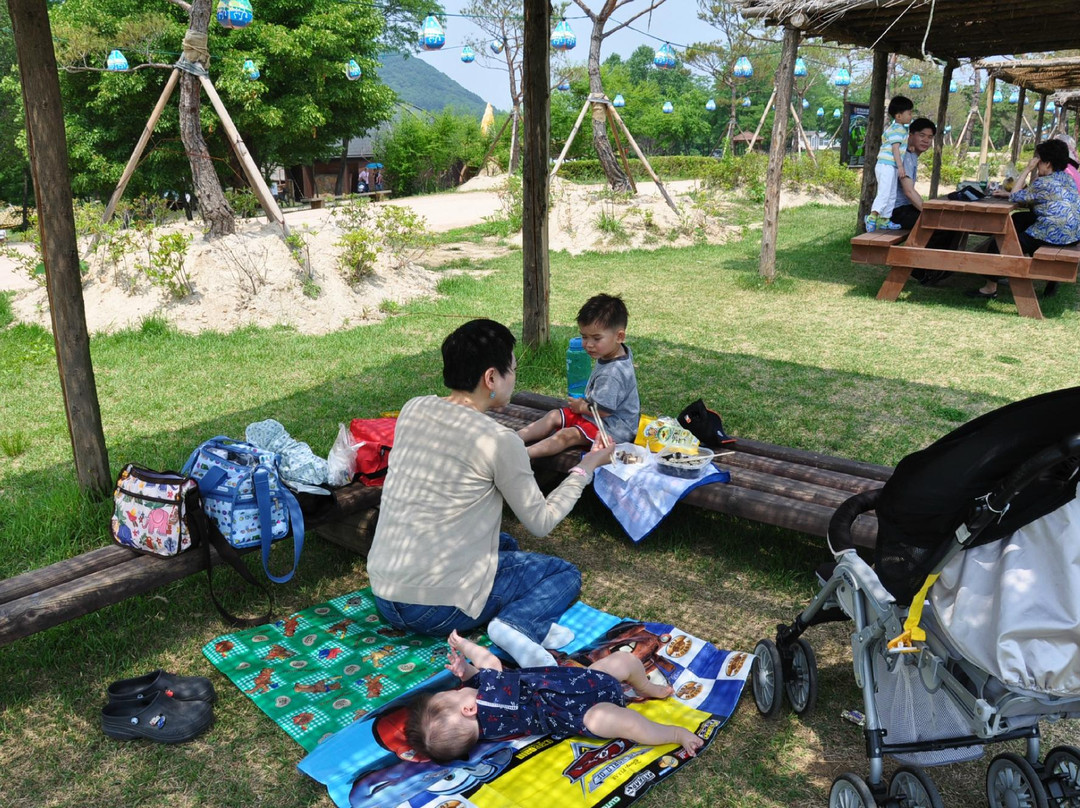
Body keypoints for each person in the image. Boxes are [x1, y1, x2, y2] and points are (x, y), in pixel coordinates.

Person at [368, 319, 614, 670]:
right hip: (435, 611)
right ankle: (517, 625)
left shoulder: (413, 408)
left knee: (506, 546)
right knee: (562, 573)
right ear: (490, 379)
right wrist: (584, 469)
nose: (514, 377)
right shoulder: (499, 441)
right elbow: (541, 522)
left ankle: (519, 620)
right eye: (512, 369)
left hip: (385, 593)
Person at [406, 630, 704, 763]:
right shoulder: (490, 699)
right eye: (453, 693)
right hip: (583, 711)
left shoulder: (485, 716)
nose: (457, 687)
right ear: (471, 708)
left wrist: (465, 673)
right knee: (624, 721)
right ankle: (675, 733)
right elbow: (491, 664)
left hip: (586, 680)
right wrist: (465, 645)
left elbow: (480, 677)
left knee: (624, 665)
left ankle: (646, 689)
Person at [518, 294, 640, 460]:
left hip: (612, 429)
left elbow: (603, 410)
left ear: (619, 337)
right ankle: (513, 439)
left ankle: (521, 455)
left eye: (596, 338)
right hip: (596, 417)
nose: (588, 344)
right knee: (554, 415)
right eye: (584, 336)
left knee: (567, 435)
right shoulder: (614, 351)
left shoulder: (613, 374)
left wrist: (581, 407)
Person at [968, 139, 1080, 299]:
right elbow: (1036, 197)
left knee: (1002, 240)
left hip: (1054, 235)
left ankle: (990, 288)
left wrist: (1028, 169)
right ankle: (1048, 276)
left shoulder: (1043, 182)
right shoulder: (1067, 178)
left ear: (1047, 163)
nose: (1036, 163)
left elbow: (1014, 196)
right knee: (1019, 218)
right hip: (1073, 235)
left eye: (1038, 160)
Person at [865, 95, 915, 233]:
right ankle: (872, 216)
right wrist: (900, 166)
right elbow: (895, 149)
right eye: (909, 113)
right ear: (899, 116)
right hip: (887, 165)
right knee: (885, 192)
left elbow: (900, 146)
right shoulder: (898, 129)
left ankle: (886, 219)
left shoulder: (898, 129)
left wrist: (908, 148)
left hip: (890, 166)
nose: (911, 116)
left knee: (892, 193)